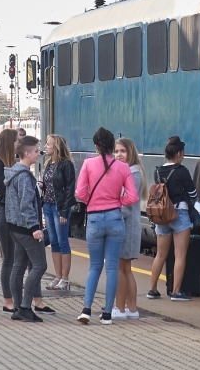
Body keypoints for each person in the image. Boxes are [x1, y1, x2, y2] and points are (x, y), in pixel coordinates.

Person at [75, 127, 139, 325]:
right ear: (112, 146)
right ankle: (108, 314)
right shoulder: (123, 168)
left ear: (96, 146)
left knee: (95, 266)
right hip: (115, 219)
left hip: (94, 219)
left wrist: (92, 201)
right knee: (112, 268)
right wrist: (117, 201)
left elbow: (80, 193)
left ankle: (86, 310)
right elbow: (133, 197)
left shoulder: (88, 164)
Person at [147, 136, 198, 302]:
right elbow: (193, 194)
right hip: (179, 215)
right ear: (178, 154)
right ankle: (176, 292)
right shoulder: (182, 171)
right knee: (180, 255)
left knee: (160, 255)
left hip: (162, 216)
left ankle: (152, 289)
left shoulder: (157, 171)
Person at [5, 136, 49, 322]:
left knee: (19, 266)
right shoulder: (23, 176)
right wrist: (35, 227)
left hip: (15, 227)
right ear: (26, 153)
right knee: (40, 265)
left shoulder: (15, 172)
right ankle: (24, 307)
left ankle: (17, 307)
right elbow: (26, 205)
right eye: (36, 151)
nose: (39, 154)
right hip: (26, 228)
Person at [112, 137, 147, 319]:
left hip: (125, 227)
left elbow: (125, 205)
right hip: (128, 226)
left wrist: (111, 215)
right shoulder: (133, 171)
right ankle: (132, 309)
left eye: (123, 151)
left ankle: (120, 308)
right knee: (125, 269)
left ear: (131, 152)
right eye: (116, 151)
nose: (119, 155)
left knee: (120, 268)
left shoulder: (132, 173)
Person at [40, 133, 76, 291]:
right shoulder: (49, 163)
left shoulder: (66, 165)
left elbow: (69, 189)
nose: (45, 146)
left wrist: (64, 212)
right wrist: (42, 185)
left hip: (59, 207)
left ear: (56, 147)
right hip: (47, 206)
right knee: (53, 241)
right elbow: (51, 184)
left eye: (48, 144)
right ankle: (58, 276)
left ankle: (65, 279)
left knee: (62, 241)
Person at [0, 128, 19, 313]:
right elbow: (6, 190)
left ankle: (18, 297)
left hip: (17, 215)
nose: (19, 144)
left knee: (17, 259)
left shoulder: (15, 163)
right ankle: (8, 301)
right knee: (8, 258)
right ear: (9, 143)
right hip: (5, 213)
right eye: (17, 141)